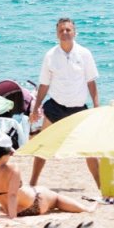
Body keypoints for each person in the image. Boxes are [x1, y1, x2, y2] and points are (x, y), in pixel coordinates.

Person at [29, 17, 99, 187]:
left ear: (74, 32)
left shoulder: (84, 54)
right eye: (61, 30)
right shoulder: (50, 56)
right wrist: (36, 108)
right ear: (56, 33)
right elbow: (44, 84)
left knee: (89, 149)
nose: (65, 33)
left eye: (68, 30)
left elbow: (91, 82)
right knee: (43, 145)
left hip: (79, 109)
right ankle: (32, 184)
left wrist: (96, 108)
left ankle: (101, 187)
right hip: (56, 106)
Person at [0, 136, 89, 218]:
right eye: (10, 153)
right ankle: (87, 209)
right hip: (33, 205)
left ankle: (85, 208)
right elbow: (12, 195)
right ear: (6, 152)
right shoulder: (12, 168)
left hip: (8, 209)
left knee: (39, 190)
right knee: (55, 198)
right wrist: (12, 218)